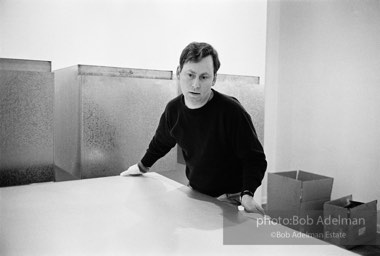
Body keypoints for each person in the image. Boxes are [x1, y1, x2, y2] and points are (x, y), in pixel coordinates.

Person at [120, 42, 267, 214]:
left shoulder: (231, 111)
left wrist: (247, 194)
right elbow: (161, 143)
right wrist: (141, 167)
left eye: (204, 77)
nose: (196, 84)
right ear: (178, 72)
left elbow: (254, 158)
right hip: (196, 191)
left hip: (230, 197)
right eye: (190, 75)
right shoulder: (173, 110)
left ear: (214, 79)